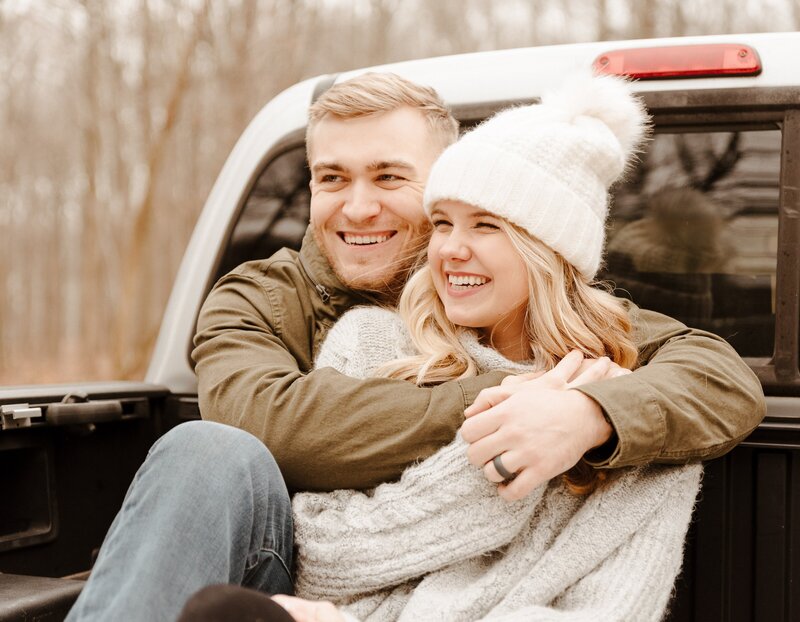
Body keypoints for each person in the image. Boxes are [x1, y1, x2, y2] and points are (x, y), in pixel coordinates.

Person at [67, 73, 764, 622]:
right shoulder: (261, 297)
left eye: (390, 177)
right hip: (289, 568)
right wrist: (511, 401)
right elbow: (263, 424)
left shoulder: (557, 320)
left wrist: (588, 415)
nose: (359, 206)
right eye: (332, 178)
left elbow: (713, 376)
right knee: (208, 450)